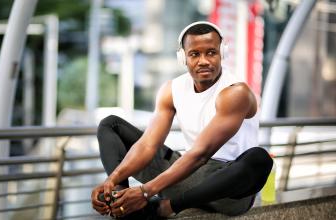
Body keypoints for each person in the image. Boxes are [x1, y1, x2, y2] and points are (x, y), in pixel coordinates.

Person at [91, 21, 273, 219]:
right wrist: (112, 178)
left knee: (259, 159)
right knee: (111, 124)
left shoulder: (235, 93)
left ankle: (165, 207)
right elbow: (148, 146)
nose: (203, 61)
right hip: (184, 177)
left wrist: (145, 191)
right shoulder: (172, 90)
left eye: (211, 52)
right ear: (183, 58)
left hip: (224, 190)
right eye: (194, 54)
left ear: (222, 54)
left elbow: (200, 154)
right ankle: (121, 202)